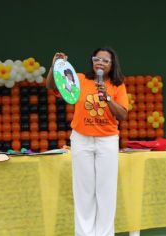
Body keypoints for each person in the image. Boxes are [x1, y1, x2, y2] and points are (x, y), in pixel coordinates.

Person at [46, 47, 129, 236]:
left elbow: (123, 114)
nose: (100, 62)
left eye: (105, 61)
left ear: (112, 64)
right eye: (96, 59)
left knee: (106, 190)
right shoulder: (80, 79)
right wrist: (55, 67)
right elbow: (52, 86)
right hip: (81, 139)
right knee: (83, 190)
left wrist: (106, 97)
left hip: (107, 140)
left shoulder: (118, 85)